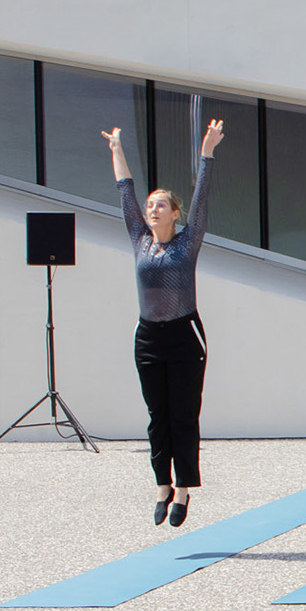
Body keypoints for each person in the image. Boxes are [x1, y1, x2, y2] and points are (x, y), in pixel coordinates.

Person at [107, 119, 223, 527]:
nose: (151, 208)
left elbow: (203, 197)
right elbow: (125, 192)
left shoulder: (188, 241)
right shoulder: (139, 238)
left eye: (160, 204)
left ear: (175, 213)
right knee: (157, 414)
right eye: (150, 204)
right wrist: (117, 148)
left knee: (183, 413)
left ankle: (185, 487)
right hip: (149, 337)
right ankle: (162, 483)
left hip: (185, 334)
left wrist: (207, 152)